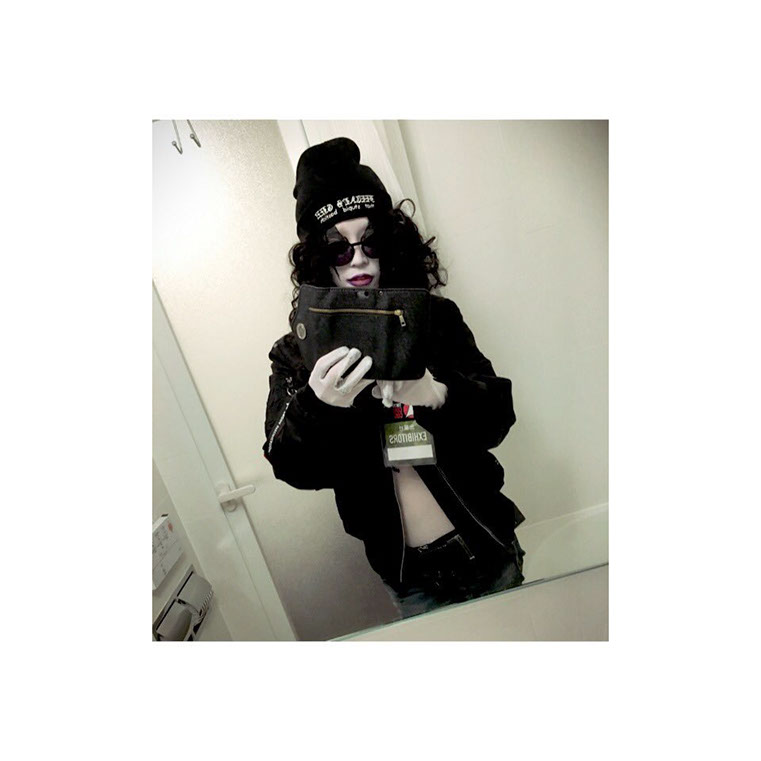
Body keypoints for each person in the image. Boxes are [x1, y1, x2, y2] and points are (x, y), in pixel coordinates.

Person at [263, 137, 526, 619]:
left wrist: (438, 393)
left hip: (485, 544)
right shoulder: (297, 357)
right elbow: (289, 464)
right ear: (317, 258)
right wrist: (318, 406)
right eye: (337, 248)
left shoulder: (437, 320)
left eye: (372, 242)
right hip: (409, 578)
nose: (358, 260)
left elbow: (499, 415)